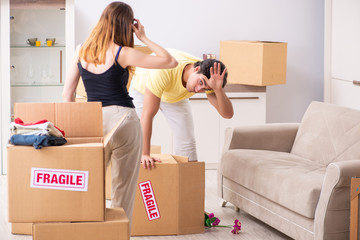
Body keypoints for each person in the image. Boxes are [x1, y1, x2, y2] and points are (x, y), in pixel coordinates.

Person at [62, 1, 177, 226]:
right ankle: (118, 234)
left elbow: (67, 95)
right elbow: (170, 61)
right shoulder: (123, 53)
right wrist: (144, 37)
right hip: (125, 120)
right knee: (122, 189)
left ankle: (90, 231)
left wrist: (75, 130)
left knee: (90, 184)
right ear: (127, 25)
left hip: (94, 122)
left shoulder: (81, 49)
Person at [129, 48, 234, 169]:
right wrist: (145, 154)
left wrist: (217, 89)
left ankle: (188, 182)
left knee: (187, 141)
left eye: (205, 88)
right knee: (135, 136)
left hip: (174, 95)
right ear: (196, 69)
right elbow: (147, 115)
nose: (199, 90)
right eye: (200, 83)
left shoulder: (207, 77)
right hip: (143, 89)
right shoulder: (165, 70)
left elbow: (227, 114)